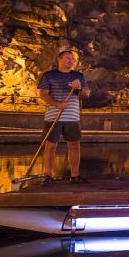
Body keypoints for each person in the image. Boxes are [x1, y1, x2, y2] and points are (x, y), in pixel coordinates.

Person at [37, 48, 91, 184]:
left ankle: (75, 175)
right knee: (50, 145)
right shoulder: (49, 75)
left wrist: (79, 88)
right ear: (59, 60)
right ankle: (47, 175)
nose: (71, 61)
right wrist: (56, 104)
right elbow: (43, 94)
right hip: (53, 116)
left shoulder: (78, 76)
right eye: (68, 58)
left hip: (72, 117)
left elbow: (86, 94)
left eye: (72, 59)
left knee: (74, 145)